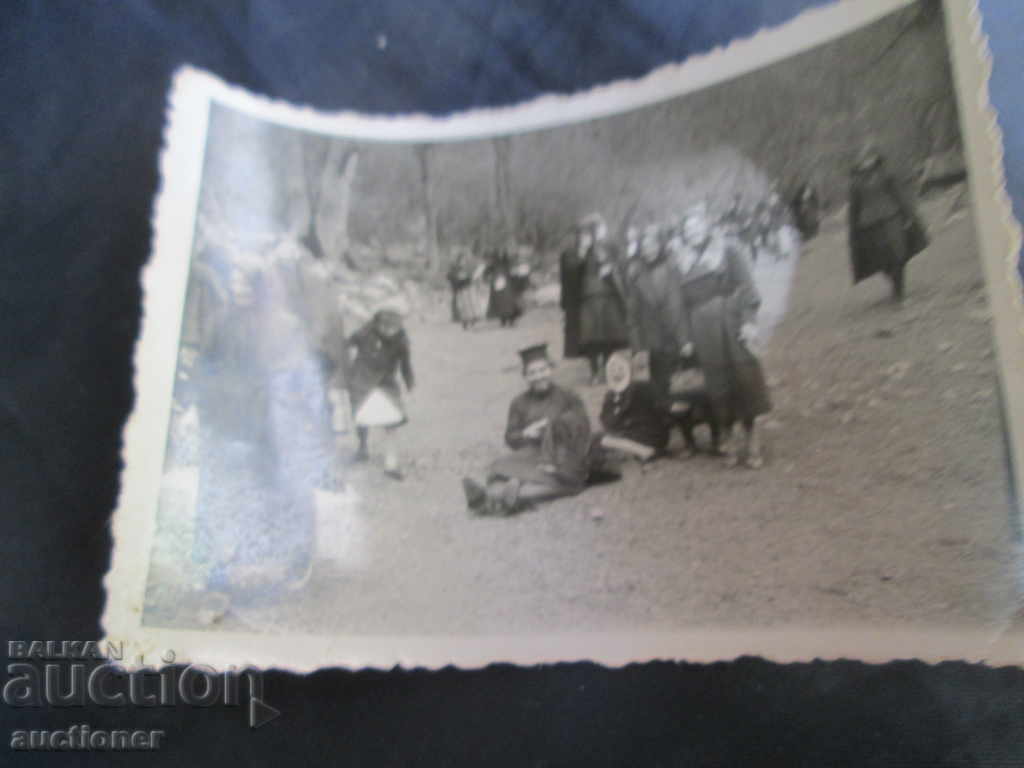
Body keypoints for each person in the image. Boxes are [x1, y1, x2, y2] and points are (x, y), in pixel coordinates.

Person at [676, 203, 772, 468]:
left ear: (707, 226)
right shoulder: (681, 263)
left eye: (697, 226)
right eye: (687, 229)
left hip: (732, 323)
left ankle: (752, 438)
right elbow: (680, 306)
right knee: (717, 386)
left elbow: (748, 288)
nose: (693, 232)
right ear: (683, 235)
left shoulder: (728, 251)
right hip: (702, 331)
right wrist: (685, 338)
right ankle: (727, 437)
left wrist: (749, 322)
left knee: (745, 380)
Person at [462, 344, 596, 516]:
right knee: (500, 467)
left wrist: (554, 426)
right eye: (532, 373)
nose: (539, 376)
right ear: (525, 376)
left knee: (552, 478)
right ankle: (507, 495)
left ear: (551, 369)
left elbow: (583, 428)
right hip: (532, 453)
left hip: (563, 456)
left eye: (543, 370)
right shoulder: (519, 402)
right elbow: (510, 437)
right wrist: (526, 433)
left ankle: (491, 499)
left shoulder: (568, 396)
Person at [848, 142, 929, 301]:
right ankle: (894, 283)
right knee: (881, 261)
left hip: (892, 219)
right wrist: (853, 232)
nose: (867, 161)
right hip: (869, 226)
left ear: (875, 158)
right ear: (859, 162)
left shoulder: (886, 174)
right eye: (863, 159)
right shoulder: (855, 183)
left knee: (898, 255)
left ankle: (899, 292)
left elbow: (899, 196)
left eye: (869, 157)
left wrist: (910, 217)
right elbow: (853, 209)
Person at [345, 305, 415, 479]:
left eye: (393, 327)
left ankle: (391, 464)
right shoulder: (364, 333)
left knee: (392, 421)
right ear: (377, 324)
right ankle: (362, 448)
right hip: (361, 380)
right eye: (385, 326)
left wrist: (410, 383)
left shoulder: (401, 341)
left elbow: (406, 364)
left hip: (386, 382)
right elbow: (345, 344)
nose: (389, 331)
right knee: (361, 417)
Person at [627, 224, 687, 406]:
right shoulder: (635, 273)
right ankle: (664, 415)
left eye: (653, 245)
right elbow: (632, 315)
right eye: (644, 247)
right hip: (651, 339)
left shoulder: (674, 267)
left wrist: (686, 339)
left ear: (660, 245)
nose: (649, 251)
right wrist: (637, 346)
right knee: (657, 383)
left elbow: (686, 304)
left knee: (686, 382)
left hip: (677, 333)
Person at [575, 213, 630, 384]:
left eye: (596, 228)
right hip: (588, 297)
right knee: (591, 338)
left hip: (608, 294)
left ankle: (606, 369)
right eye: (589, 230)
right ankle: (594, 372)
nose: (592, 233)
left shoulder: (609, 244)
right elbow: (572, 272)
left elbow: (620, 261)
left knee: (608, 335)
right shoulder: (579, 249)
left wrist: (611, 267)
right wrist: (582, 252)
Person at [598, 351, 670, 462]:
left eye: (620, 368)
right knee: (599, 439)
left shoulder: (639, 388)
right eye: (613, 369)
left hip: (648, 432)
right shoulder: (611, 394)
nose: (616, 372)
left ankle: (647, 451)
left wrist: (617, 414)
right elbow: (606, 419)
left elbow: (659, 409)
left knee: (604, 440)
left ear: (628, 369)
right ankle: (636, 450)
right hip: (630, 430)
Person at [448, 248, 487, 330]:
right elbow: (450, 277)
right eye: (462, 260)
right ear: (459, 260)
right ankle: (465, 321)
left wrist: (470, 278)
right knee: (463, 306)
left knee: (471, 304)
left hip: (467, 287)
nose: (463, 261)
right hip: (461, 288)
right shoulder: (455, 268)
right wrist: (458, 279)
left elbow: (472, 276)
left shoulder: (467, 267)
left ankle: (471, 320)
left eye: (464, 260)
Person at [485, 250, 521, 327]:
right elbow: (487, 272)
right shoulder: (495, 264)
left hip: (504, 285)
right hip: (500, 285)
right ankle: (504, 320)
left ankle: (509, 320)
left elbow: (512, 271)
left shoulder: (505, 263)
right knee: (503, 302)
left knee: (507, 302)